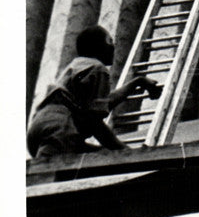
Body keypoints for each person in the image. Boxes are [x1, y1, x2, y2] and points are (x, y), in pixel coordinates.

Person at [27, 25, 161, 159]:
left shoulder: (78, 66)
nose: (113, 47)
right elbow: (94, 122)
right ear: (97, 46)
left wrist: (138, 82)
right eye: (109, 42)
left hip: (40, 126)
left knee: (100, 155)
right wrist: (124, 151)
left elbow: (104, 103)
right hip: (60, 128)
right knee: (46, 171)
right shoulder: (98, 69)